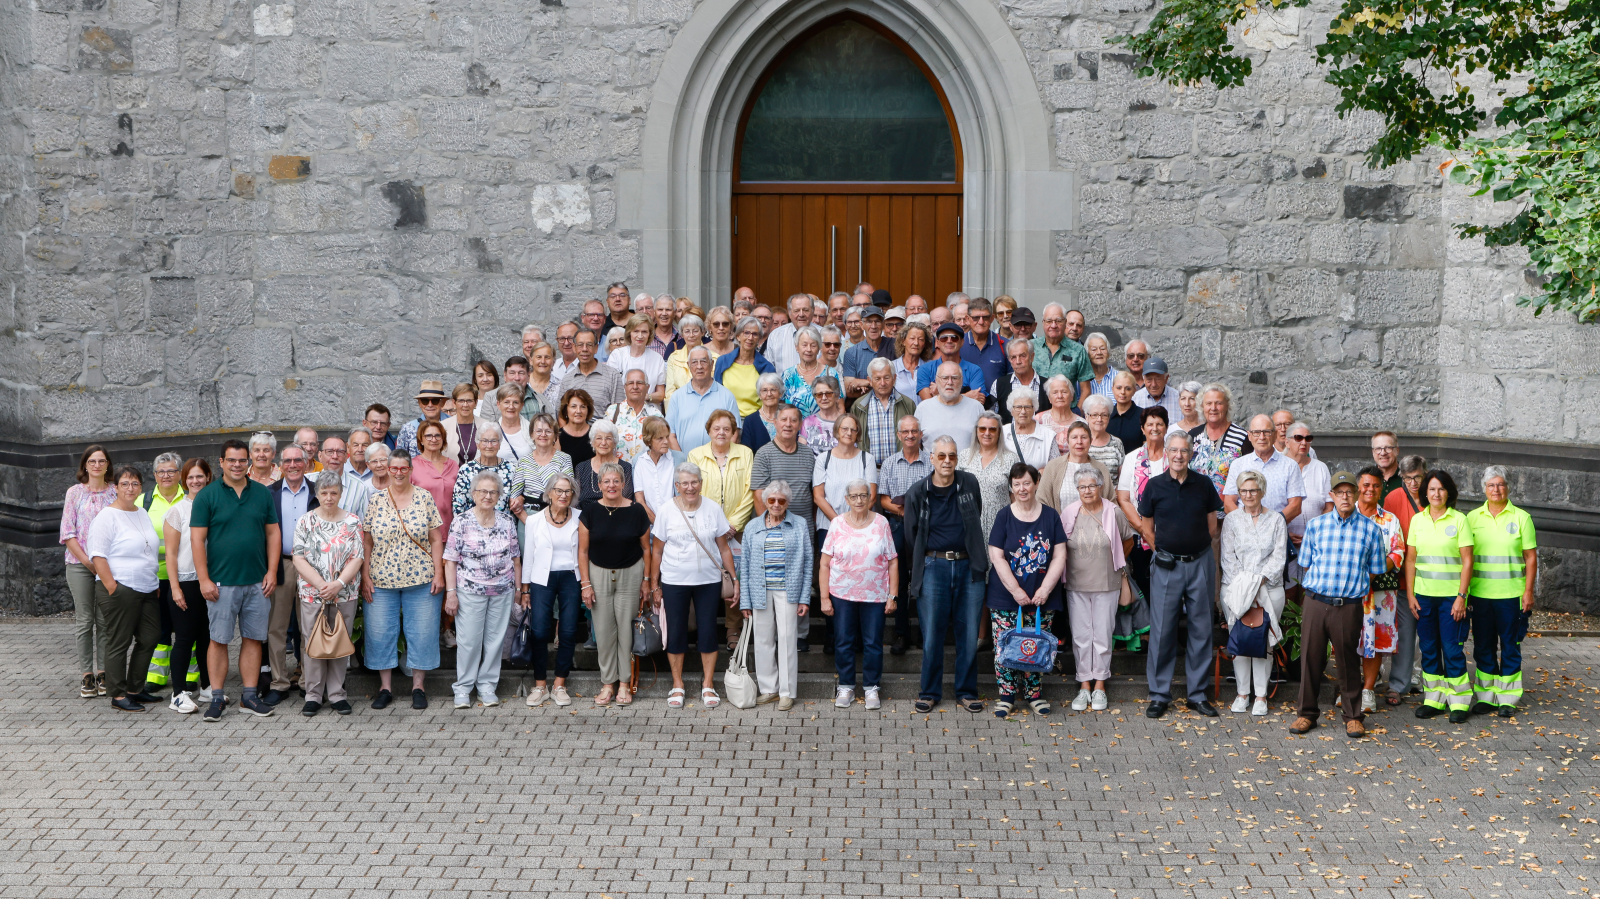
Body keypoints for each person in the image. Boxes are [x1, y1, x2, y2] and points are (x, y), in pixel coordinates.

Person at [1134, 430, 1222, 720]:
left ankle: (1197, 695)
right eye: (1174, 451)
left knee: (1201, 629)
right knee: (1162, 631)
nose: (1179, 455)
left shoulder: (1204, 484)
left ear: (1190, 454)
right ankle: (1159, 695)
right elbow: (1146, 527)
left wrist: (1193, 549)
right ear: (1167, 453)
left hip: (1199, 563)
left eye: (1184, 451)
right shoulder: (1155, 486)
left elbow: (1212, 527)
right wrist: (1164, 551)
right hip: (1166, 565)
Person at [1293, 471, 1389, 737]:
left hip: (1349, 604)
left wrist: (1353, 584)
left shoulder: (1371, 529)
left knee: (1347, 661)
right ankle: (1306, 714)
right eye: (1340, 492)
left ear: (1356, 495)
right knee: (1310, 659)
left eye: (1350, 492)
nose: (1345, 497)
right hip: (1315, 601)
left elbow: (1376, 569)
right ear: (1331, 496)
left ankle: (1353, 716)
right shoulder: (1316, 525)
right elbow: (1306, 564)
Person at [191, 438, 280, 720]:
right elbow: (197, 539)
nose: (238, 465)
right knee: (218, 640)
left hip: (257, 582)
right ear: (221, 462)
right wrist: (203, 579)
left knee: (254, 639)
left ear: (249, 462)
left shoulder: (262, 494)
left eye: (243, 460)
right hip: (221, 583)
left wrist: (272, 571)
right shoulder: (208, 496)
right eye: (232, 460)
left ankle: (249, 696)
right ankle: (216, 698)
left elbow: (273, 534)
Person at [903, 436, 987, 713]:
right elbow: (911, 534)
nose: (947, 461)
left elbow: (976, 512)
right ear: (932, 458)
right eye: (941, 456)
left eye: (951, 456)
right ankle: (929, 691)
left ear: (957, 459)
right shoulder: (918, 491)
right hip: (933, 567)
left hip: (968, 567)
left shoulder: (969, 483)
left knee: (969, 634)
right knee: (932, 635)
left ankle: (966, 692)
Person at [649, 462, 740, 709]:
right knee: (676, 632)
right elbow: (656, 551)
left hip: (708, 581)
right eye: (684, 483)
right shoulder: (667, 510)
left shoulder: (712, 509)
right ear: (677, 486)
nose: (690, 487)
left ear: (701, 483)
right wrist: (654, 584)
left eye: (694, 482)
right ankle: (677, 685)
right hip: (674, 580)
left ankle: (707, 685)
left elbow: (723, 547)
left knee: (709, 631)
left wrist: (734, 578)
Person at [360, 449, 445, 711]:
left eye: (403, 468)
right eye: (393, 468)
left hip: (421, 578)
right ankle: (385, 688)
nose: (398, 473)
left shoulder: (424, 497)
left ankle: (418, 687)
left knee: (422, 633)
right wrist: (364, 575)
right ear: (387, 469)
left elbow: (435, 538)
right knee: (380, 633)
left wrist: (439, 573)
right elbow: (367, 541)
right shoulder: (375, 500)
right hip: (381, 580)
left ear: (410, 470)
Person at [985, 463, 1068, 717]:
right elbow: (996, 555)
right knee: (1006, 645)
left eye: (1027, 483)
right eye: (1017, 484)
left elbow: (1059, 554)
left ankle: (1034, 695)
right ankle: (1007, 696)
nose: (1022, 488)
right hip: (1006, 595)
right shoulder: (1004, 516)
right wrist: (1015, 591)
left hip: (1042, 596)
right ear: (1011, 487)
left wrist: (1045, 589)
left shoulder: (1051, 516)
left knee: (1036, 645)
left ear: (1036, 484)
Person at [440, 470, 519, 710]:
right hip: (470, 590)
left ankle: (487, 686)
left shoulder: (506, 521)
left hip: (502, 590)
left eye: (493, 492)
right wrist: (451, 592)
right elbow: (450, 560)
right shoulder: (462, 520)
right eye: (482, 491)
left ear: (499, 496)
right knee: (469, 641)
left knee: (495, 641)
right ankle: (463, 688)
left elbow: (515, 557)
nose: (487, 496)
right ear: (473, 493)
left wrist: (517, 589)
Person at [87, 465, 164, 711]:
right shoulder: (106, 516)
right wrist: (113, 587)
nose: (130, 488)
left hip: (147, 587)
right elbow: (97, 556)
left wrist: (152, 581)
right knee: (119, 641)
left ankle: (135, 689)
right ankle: (118, 695)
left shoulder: (141, 512)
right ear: (116, 487)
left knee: (150, 637)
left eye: (135, 484)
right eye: (125, 484)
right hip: (121, 587)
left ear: (141, 488)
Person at [1061, 466, 1135, 712]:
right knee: (1081, 637)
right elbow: (1060, 546)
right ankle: (1084, 685)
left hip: (1106, 583)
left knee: (1102, 635)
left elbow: (1128, 541)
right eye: (1082, 486)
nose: (1087, 490)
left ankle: (1100, 684)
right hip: (1076, 584)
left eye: (1092, 485)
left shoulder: (1114, 512)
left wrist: (1114, 563)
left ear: (1101, 487)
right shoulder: (1069, 512)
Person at [578, 464, 653, 706]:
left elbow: (646, 549)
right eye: (606, 481)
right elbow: (583, 551)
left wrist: (646, 581)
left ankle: (625, 684)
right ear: (599, 485)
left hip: (631, 574)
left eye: (616, 481)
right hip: (598, 574)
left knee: (625, 630)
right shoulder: (589, 512)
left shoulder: (636, 511)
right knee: (603, 632)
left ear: (624, 484)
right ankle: (608, 683)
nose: (611, 485)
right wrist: (585, 584)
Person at [1465, 466, 1537, 717]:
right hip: (1481, 596)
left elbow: (1530, 558)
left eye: (1501, 484)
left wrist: (1528, 592)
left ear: (1508, 487)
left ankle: (1507, 698)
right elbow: (1466, 558)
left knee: (1509, 645)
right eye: (1491, 485)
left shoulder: (1521, 518)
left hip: (1511, 596)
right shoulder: (1471, 518)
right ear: (1484, 488)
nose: (1496, 489)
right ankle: (1487, 698)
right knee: (1483, 646)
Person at [290, 474, 364, 716]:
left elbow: (358, 558)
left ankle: (337, 694)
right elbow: (298, 557)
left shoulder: (353, 522)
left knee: (339, 642)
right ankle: (313, 695)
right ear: (317, 494)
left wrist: (339, 583)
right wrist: (323, 585)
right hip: (313, 594)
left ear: (340, 493)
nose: (329, 497)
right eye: (324, 493)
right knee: (312, 643)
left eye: (334, 493)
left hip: (345, 593)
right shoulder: (306, 521)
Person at [1404, 470, 1475, 723]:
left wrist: (1461, 597)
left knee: (1452, 649)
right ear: (1425, 493)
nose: (1436, 494)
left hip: (1450, 599)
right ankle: (1434, 699)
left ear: (1449, 493)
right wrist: (1411, 594)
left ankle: (1458, 703)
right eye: (1432, 489)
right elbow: (1410, 560)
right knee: (1429, 648)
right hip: (1424, 597)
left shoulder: (1459, 520)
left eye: (1441, 489)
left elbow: (1468, 561)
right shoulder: (1417, 521)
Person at [820, 479, 897, 710]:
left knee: (873, 643)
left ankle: (871, 687)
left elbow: (893, 561)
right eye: (854, 496)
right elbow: (824, 564)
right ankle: (846, 686)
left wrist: (892, 595)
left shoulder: (882, 523)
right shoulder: (836, 524)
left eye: (863, 495)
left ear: (870, 497)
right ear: (847, 500)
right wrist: (824, 597)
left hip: (874, 595)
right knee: (843, 641)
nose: (859, 500)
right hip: (842, 593)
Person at [1220, 470, 1289, 717]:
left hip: (1269, 589)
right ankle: (1241, 694)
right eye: (1243, 491)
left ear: (1262, 491)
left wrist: (1259, 581)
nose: (1248, 495)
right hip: (1237, 590)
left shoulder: (1276, 520)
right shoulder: (1232, 520)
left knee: (1263, 641)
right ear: (1238, 493)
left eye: (1253, 490)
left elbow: (1280, 555)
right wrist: (1246, 585)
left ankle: (1260, 695)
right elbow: (1228, 557)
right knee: (1240, 639)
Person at [739, 482, 812, 710]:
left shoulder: (798, 524)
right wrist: (745, 600)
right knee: (762, 640)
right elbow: (746, 565)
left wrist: (804, 597)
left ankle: (787, 692)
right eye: (772, 500)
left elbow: (808, 562)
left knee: (788, 638)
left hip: (788, 590)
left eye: (781, 500)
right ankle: (768, 689)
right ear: (765, 501)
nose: (776, 504)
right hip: (760, 590)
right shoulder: (752, 526)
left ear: (787, 502)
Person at [520, 473, 581, 708]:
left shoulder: (580, 517)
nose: (563, 495)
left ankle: (559, 685)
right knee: (540, 631)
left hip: (571, 578)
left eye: (568, 491)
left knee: (567, 631)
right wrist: (525, 589)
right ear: (549, 493)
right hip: (541, 579)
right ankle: (540, 685)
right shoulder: (534, 520)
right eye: (558, 490)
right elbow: (529, 555)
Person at [266, 444, 317, 706]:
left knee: (309, 626)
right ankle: (279, 682)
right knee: (276, 627)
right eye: (288, 461)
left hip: (312, 567)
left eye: (299, 460)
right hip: (281, 566)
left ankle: (310, 682)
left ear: (307, 463)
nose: (293, 465)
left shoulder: (318, 492)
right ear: (280, 464)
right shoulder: (270, 494)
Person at [62, 445, 115, 698]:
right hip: (79, 564)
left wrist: (103, 564)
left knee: (105, 620)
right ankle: (86, 675)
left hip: (108, 565)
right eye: (92, 461)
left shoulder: (115, 493)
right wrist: (87, 561)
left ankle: (103, 671)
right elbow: (68, 532)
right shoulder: (74, 493)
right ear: (85, 465)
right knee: (85, 620)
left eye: (101, 461)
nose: (96, 465)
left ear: (107, 465)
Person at [161, 458, 215, 711]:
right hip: (185, 581)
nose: (195, 481)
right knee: (184, 638)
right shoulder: (177, 511)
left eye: (200, 476)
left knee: (206, 637)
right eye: (191, 477)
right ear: (185, 480)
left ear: (208, 478)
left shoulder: (215, 505)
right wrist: (175, 588)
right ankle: (178, 693)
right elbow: (170, 554)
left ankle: (206, 686)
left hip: (211, 581)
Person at [1355, 465, 1406, 714]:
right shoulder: (1344, 514)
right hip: (1349, 591)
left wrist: (1372, 571)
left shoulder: (1389, 520)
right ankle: (1349, 688)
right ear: (1357, 487)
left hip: (1379, 593)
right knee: (1348, 639)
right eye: (1366, 485)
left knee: (1372, 643)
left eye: (1375, 485)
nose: (1370, 489)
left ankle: (1368, 690)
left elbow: (1398, 552)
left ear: (1381, 489)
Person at [1381, 453, 1428, 703]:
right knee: (1406, 633)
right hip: (1402, 578)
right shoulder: (1393, 497)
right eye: (1408, 478)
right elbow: (1387, 532)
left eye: (1417, 477)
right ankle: (1398, 684)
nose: (1413, 483)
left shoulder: (1435, 494)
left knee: (1434, 635)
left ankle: (1433, 683)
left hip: (1434, 577)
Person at [1116, 405, 1170, 614]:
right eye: (1150, 424)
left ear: (1166, 428)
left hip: (1168, 533)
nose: (1155, 428)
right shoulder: (1133, 458)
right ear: (1142, 428)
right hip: (1139, 536)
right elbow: (1123, 498)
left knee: (1168, 585)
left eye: (1159, 424)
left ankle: (1167, 631)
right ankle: (1148, 633)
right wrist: (1143, 529)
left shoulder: (1173, 456)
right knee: (1144, 581)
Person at [1222, 415, 1305, 523]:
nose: (1262, 437)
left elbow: (1295, 506)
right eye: (1256, 432)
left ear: (1275, 435)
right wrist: (1248, 525)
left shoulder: (1290, 466)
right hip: (1245, 533)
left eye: (1266, 432)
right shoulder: (1238, 464)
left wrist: (1270, 527)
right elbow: (1228, 504)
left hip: (1277, 533)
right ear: (1249, 436)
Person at [669, 346, 743, 454]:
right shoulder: (677, 397)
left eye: (704, 361)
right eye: (694, 362)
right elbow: (670, 435)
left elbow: (735, 433)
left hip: (719, 465)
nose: (699, 366)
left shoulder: (727, 396)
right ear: (688, 365)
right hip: (686, 465)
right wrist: (683, 462)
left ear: (712, 364)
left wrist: (722, 461)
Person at [960, 411, 1021, 542]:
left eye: (992, 429)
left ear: (999, 432)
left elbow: (1016, 497)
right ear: (976, 431)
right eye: (982, 428)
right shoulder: (964, 457)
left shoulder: (1010, 459)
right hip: (968, 527)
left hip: (1001, 526)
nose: (987, 433)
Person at [1188, 384, 1250, 504]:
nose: (1213, 408)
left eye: (1218, 403)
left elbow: (1249, 475)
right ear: (1202, 406)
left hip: (1231, 510)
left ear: (1227, 405)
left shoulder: (1242, 437)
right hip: (1197, 509)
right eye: (1209, 403)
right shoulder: (1192, 435)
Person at [1039, 422, 1113, 516]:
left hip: (1096, 527)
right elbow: (1042, 500)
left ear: (1091, 441)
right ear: (1067, 441)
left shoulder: (1101, 469)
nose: (1079, 442)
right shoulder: (1053, 467)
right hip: (1060, 527)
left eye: (1084, 437)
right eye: (1074, 437)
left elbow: (1111, 502)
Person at [850, 357, 916, 464]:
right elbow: (853, 440)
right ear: (870, 381)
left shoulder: (908, 404)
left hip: (900, 467)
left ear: (894, 378)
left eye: (886, 378)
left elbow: (916, 438)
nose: (883, 383)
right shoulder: (859, 406)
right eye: (877, 378)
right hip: (870, 469)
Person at [511, 414, 576, 520]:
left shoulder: (564, 459)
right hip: (528, 517)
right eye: (539, 431)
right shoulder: (523, 461)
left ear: (555, 435)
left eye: (548, 431)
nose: (543, 434)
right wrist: (528, 522)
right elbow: (514, 497)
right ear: (532, 434)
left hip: (557, 515)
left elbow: (568, 492)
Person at [915, 361, 986, 452]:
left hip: (968, 466)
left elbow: (985, 445)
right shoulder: (923, 408)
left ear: (961, 381)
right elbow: (916, 446)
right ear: (936, 380)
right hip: (931, 466)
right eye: (945, 378)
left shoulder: (976, 407)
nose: (950, 382)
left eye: (955, 378)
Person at [713, 316, 776, 417]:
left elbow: (770, 401)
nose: (750, 338)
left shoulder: (767, 367)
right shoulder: (723, 361)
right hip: (727, 419)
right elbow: (715, 394)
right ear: (738, 336)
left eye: (755, 334)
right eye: (746, 333)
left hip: (754, 421)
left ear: (759, 339)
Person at [1032, 304, 1092, 408]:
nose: (1053, 325)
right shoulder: (1031, 346)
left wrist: (1077, 412)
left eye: (1058, 321)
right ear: (1043, 323)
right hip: (1035, 414)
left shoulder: (1078, 350)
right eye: (1049, 321)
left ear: (1064, 323)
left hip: (1066, 414)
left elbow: (1086, 389)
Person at [412, 420, 460, 540]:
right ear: (421, 440)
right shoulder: (412, 466)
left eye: (437, 435)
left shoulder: (453, 465)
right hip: (422, 531)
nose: (434, 439)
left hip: (451, 529)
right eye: (428, 436)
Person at [603, 369, 662, 463]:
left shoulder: (655, 415)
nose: (635, 387)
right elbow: (603, 444)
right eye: (630, 383)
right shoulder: (613, 412)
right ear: (624, 387)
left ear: (647, 387)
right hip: (618, 473)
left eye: (640, 383)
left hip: (646, 473)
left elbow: (661, 447)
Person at [453, 429, 515, 518]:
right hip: (471, 527)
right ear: (477, 445)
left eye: (494, 441)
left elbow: (516, 501)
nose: (489, 446)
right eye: (485, 441)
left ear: (500, 445)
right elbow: (458, 504)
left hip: (503, 526)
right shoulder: (466, 469)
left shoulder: (511, 469)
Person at [608, 313, 668, 405]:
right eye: (636, 331)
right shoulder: (617, 355)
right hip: (621, 410)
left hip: (648, 412)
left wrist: (645, 397)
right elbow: (610, 389)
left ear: (650, 334)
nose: (640, 336)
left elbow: (661, 394)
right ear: (629, 333)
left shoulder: (657, 358)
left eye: (644, 332)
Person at [917, 322, 986, 401]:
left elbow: (978, 400)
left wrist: (939, 393)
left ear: (962, 342)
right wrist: (967, 396)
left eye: (954, 338)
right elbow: (928, 403)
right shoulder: (925, 369)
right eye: (944, 338)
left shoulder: (975, 370)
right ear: (937, 342)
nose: (949, 341)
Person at [781, 326, 840, 417]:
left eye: (813, 345)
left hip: (824, 429)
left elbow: (839, 406)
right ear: (797, 347)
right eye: (804, 345)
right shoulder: (788, 375)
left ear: (819, 348)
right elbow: (781, 406)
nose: (808, 349)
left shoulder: (831, 373)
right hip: (794, 428)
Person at [559, 330, 623, 413]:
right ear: (574, 348)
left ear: (596, 348)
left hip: (603, 425)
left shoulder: (612, 375)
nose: (585, 349)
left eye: (589, 345)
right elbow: (561, 413)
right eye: (580, 345)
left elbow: (620, 411)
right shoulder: (567, 379)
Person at [992, 338, 1051, 427]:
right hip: (1009, 439)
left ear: (1032, 356)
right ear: (1009, 360)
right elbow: (993, 418)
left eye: (1022, 356)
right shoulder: (999, 385)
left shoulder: (1047, 385)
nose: (1018, 361)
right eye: (1013, 357)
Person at [575, 420, 633, 508]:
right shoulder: (581, 468)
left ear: (614, 443)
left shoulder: (625, 468)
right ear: (593, 442)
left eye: (608, 438)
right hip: (586, 519)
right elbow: (576, 502)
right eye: (599, 438)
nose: (603, 443)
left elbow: (625, 501)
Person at [841, 305, 893, 396]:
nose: (873, 326)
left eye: (877, 321)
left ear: (883, 324)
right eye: (869, 322)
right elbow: (849, 391)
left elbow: (899, 382)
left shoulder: (893, 346)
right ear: (862, 325)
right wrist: (881, 386)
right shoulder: (852, 353)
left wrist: (866, 383)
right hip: (863, 407)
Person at [1003, 390, 1061, 471]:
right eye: (1018, 407)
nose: (1023, 411)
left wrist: (1044, 473)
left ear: (1034, 409)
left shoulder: (1048, 435)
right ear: (1011, 410)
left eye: (1027, 407)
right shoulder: (1002, 432)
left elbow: (1057, 468)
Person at [633, 417, 677, 522]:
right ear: (649, 440)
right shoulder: (639, 461)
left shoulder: (678, 459)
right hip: (650, 525)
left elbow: (681, 496)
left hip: (675, 523)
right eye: (660, 438)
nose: (666, 441)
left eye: (667, 437)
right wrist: (658, 524)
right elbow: (640, 500)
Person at [960, 297, 1007, 389]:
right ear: (967, 319)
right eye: (976, 318)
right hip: (963, 401)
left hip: (997, 402)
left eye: (985, 317)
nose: (981, 322)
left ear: (992, 318)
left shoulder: (1005, 345)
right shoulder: (958, 344)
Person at [664, 314, 710, 405]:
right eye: (687, 331)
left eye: (695, 331)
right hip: (680, 407)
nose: (691, 335)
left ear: (702, 332)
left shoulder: (712, 357)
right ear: (682, 334)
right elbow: (670, 392)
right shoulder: (674, 358)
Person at [1079, 394, 1126, 483]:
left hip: (1112, 495)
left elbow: (1122, 477)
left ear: (1109, 418)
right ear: (1086, 417)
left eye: (1104, 415)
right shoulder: (1080, 442)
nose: (1099, 419)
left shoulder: (1116, 442)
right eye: (1095, 415)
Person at [395, 380, 449, 457]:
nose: (430, 405)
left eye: (435, 401)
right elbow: (399, 458)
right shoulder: (408, 429)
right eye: (425, 401)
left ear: (442, 403)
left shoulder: (454, 424)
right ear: (419, 403)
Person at [764, 293, 814, 373]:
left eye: (805, 310)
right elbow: (769, 370)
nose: (801, 314)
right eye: (796, 310)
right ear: (790, 313)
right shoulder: (776, 335)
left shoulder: (823, 335)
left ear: (812, 311)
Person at [1032, 375, 1081, 457]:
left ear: (1072, 396)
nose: (1060, 396)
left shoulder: (1081, 423)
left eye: (1064, 392)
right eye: (1055, 392)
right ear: (1049, 398)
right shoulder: (1038, 420)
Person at [800, 375, 848, 455]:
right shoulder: (808, 422)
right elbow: (801, 453)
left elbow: (851, 452)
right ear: (815, 397)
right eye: (819, 394)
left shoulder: (846, 422)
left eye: (828, 394)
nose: (824, 398)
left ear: (836, 395)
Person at [491, 384, 532, 463]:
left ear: (521, 405)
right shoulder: (491, 431)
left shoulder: (531, 429)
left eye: (515, 402)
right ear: (498, 404)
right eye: (506, 402)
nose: (511, 406)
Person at [893, 321, 933, 400]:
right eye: (912, 338)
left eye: (921, 339)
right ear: (903, 341)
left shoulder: (930, 367)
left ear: (925, 344)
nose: (916, 343)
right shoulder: (892, 367)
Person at [557, 389, 597, 467]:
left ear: (588, 410)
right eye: (573, 406)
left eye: (583, 407)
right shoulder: (557, 436)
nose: (578, 411)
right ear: (566, 410)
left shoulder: (596, 434)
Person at [1106, 371, 1144, 452]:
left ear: (1134, 390)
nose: (1122, 392)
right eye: (1119, 388)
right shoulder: (1106, 414)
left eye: (1128, 389)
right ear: (1113, 389)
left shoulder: (1143, 415)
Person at [443, 383, 480, 465]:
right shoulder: (443, 427)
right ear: (454, 403)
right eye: (461, 401)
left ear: (476, 403)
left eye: (469, 401)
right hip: (451, 476)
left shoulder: (486, 425)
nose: (465, 405)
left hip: (480, 476)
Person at [527, 342, 562, 415]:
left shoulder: (561, 386)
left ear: (553, 362)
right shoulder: (524, 384)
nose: (543, 361)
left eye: (547, 357)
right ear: (531, 361)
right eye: (539, 357)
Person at [1084, 333, 1117, 399]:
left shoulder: (1119, 377)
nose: (1099, 352)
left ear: (1108, 353)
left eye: (1103, 348)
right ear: (1088, 355)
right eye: (1094, 349)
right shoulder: (1081, 381)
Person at [1371, 431, 1402, 496]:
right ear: (1373, 452)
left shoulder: (1408, 477)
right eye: (1378, 448)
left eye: (1388, 448)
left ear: (1397, 450)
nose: (1383, 453)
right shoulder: (1366, 479)